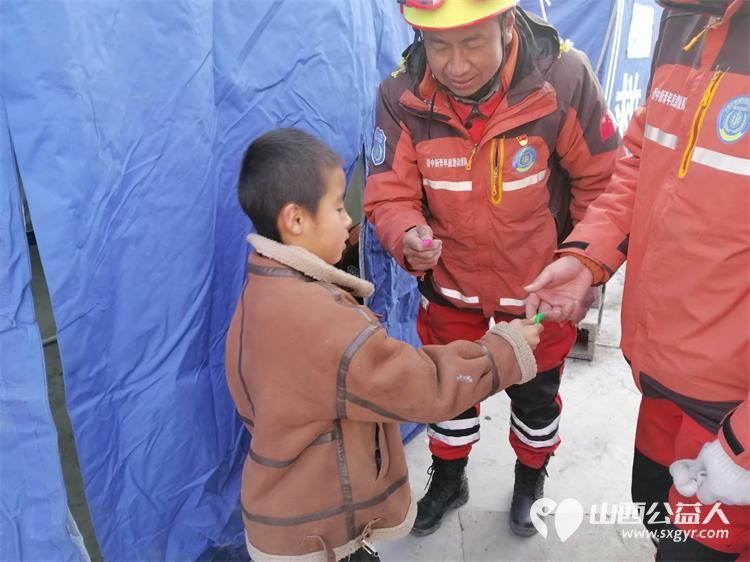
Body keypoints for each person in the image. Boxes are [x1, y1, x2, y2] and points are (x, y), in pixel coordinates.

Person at [225, 128, 544, 562]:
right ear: (296, 220)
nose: (347, 220)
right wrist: (504, 349)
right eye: (338, 207)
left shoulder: (263, 289)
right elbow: (423, 386)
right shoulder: (320, 321)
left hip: (285, 515)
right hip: (321, 535)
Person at [363, 0, 620, 537]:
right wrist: (407, 234)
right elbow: (389, 195)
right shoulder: (400, 95)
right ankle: (448, 478)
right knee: (450, 394)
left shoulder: (563, 78)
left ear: (506, 24)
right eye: (438, 46)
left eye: (472, 43)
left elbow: (604, 185)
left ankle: (531, 477)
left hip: (536, 299)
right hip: (450, 293)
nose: (455, 65)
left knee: (536, 399)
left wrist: (581, 265)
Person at [524, 1, 749, 559]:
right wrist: (587, 257)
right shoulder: (684, 18)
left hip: (732, 408)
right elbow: (643, 163)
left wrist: (744, 446)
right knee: (652, 510)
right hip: (661, 373)